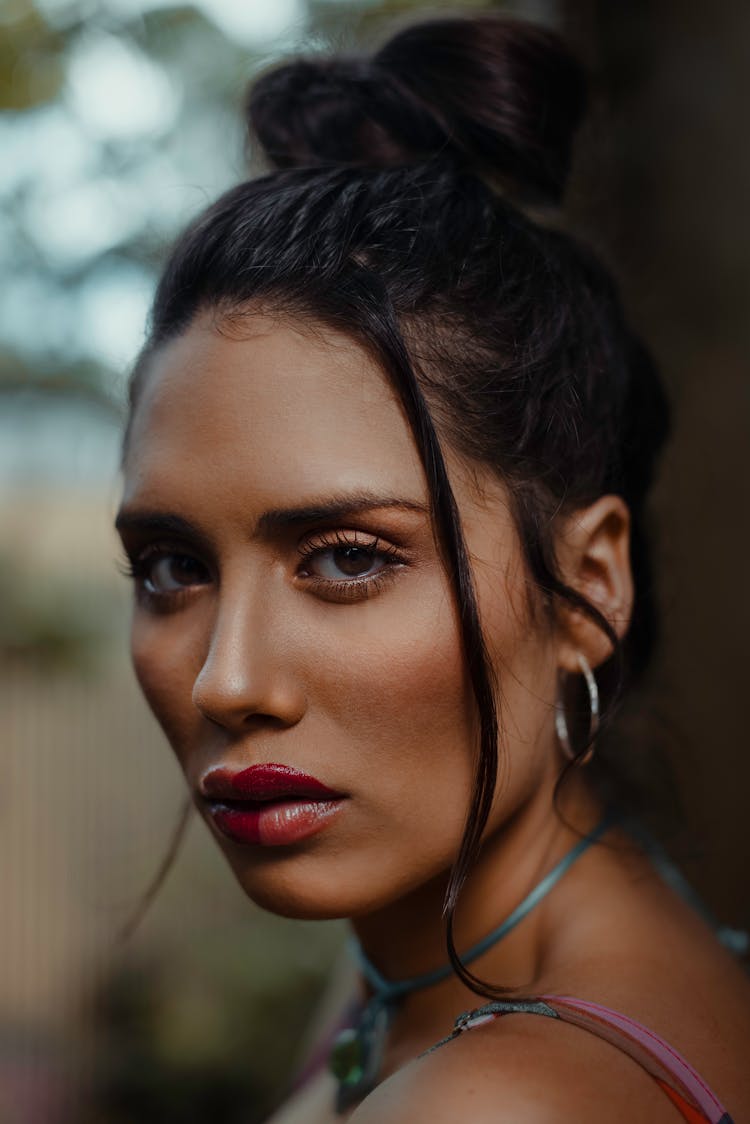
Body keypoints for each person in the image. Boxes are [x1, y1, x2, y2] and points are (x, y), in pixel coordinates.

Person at [114, 14, 750, 1122]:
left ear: (590, 583)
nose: (225, 680)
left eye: (348, 557)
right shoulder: (428, 946)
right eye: (172, 565)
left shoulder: (495, 1098)